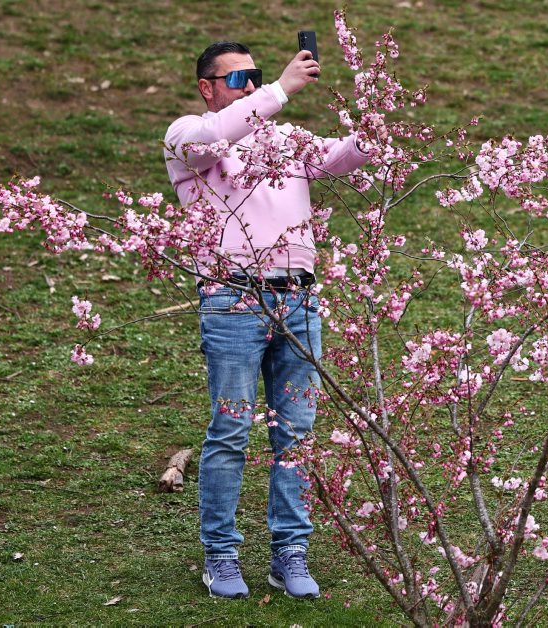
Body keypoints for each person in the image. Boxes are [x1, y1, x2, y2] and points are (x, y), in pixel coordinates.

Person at [163, 41, 373, 600]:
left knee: (296, 435)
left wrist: (373, 129)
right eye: (238, 79)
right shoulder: (186, 134)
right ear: (207, 88)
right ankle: (221, 554)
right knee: (230, 432)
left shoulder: (283, 139)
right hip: (232, 299)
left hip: (298, 301)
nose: (251, 86)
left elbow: (339, 158)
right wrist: (281, 88)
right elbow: (210, 141)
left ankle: (290, 553)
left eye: (255, 77)